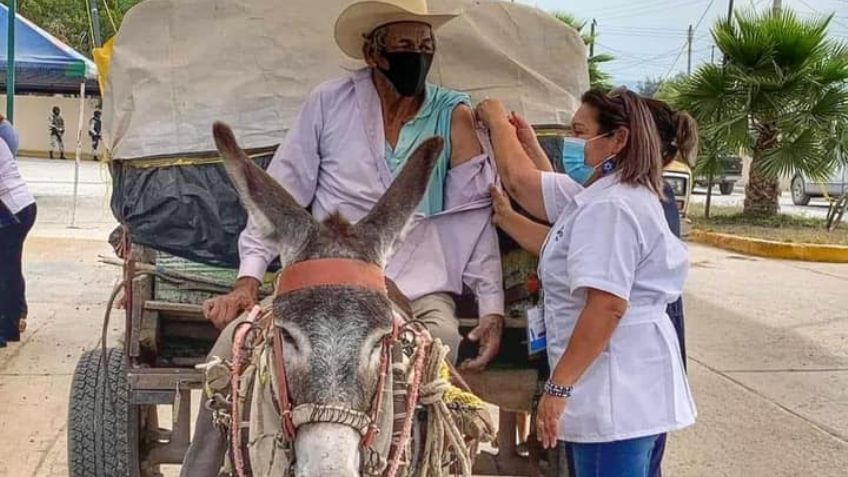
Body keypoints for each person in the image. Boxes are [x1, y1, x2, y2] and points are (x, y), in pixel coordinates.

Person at [181, 1, 504, 473]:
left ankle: (424, 463)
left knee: (439, 347)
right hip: (322, 275)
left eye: (425, 46)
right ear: (374, 53)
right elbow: (284, 186)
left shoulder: (452, 115)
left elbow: (472, 215)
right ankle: (202, 469)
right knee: (231, 351)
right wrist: (248, 278)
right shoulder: (329, 103)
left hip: (419, 283)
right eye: (405, 46)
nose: (418, 54)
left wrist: (492, 306)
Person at [477, 88, 696, 477]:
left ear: (620, 139)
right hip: (619, 388)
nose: (575, 144)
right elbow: (559, 227)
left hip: (615, 393)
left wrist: (557, 389)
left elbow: (607, 305)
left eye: (581, 133)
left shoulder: (612, 207)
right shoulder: (608, 195)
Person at [0, 115, 36, 348]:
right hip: (22, 207)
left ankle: (5, 329)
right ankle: (11, 326)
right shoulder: (4, 135)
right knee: (9, 267)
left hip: (14, 210)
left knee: (5, 268)